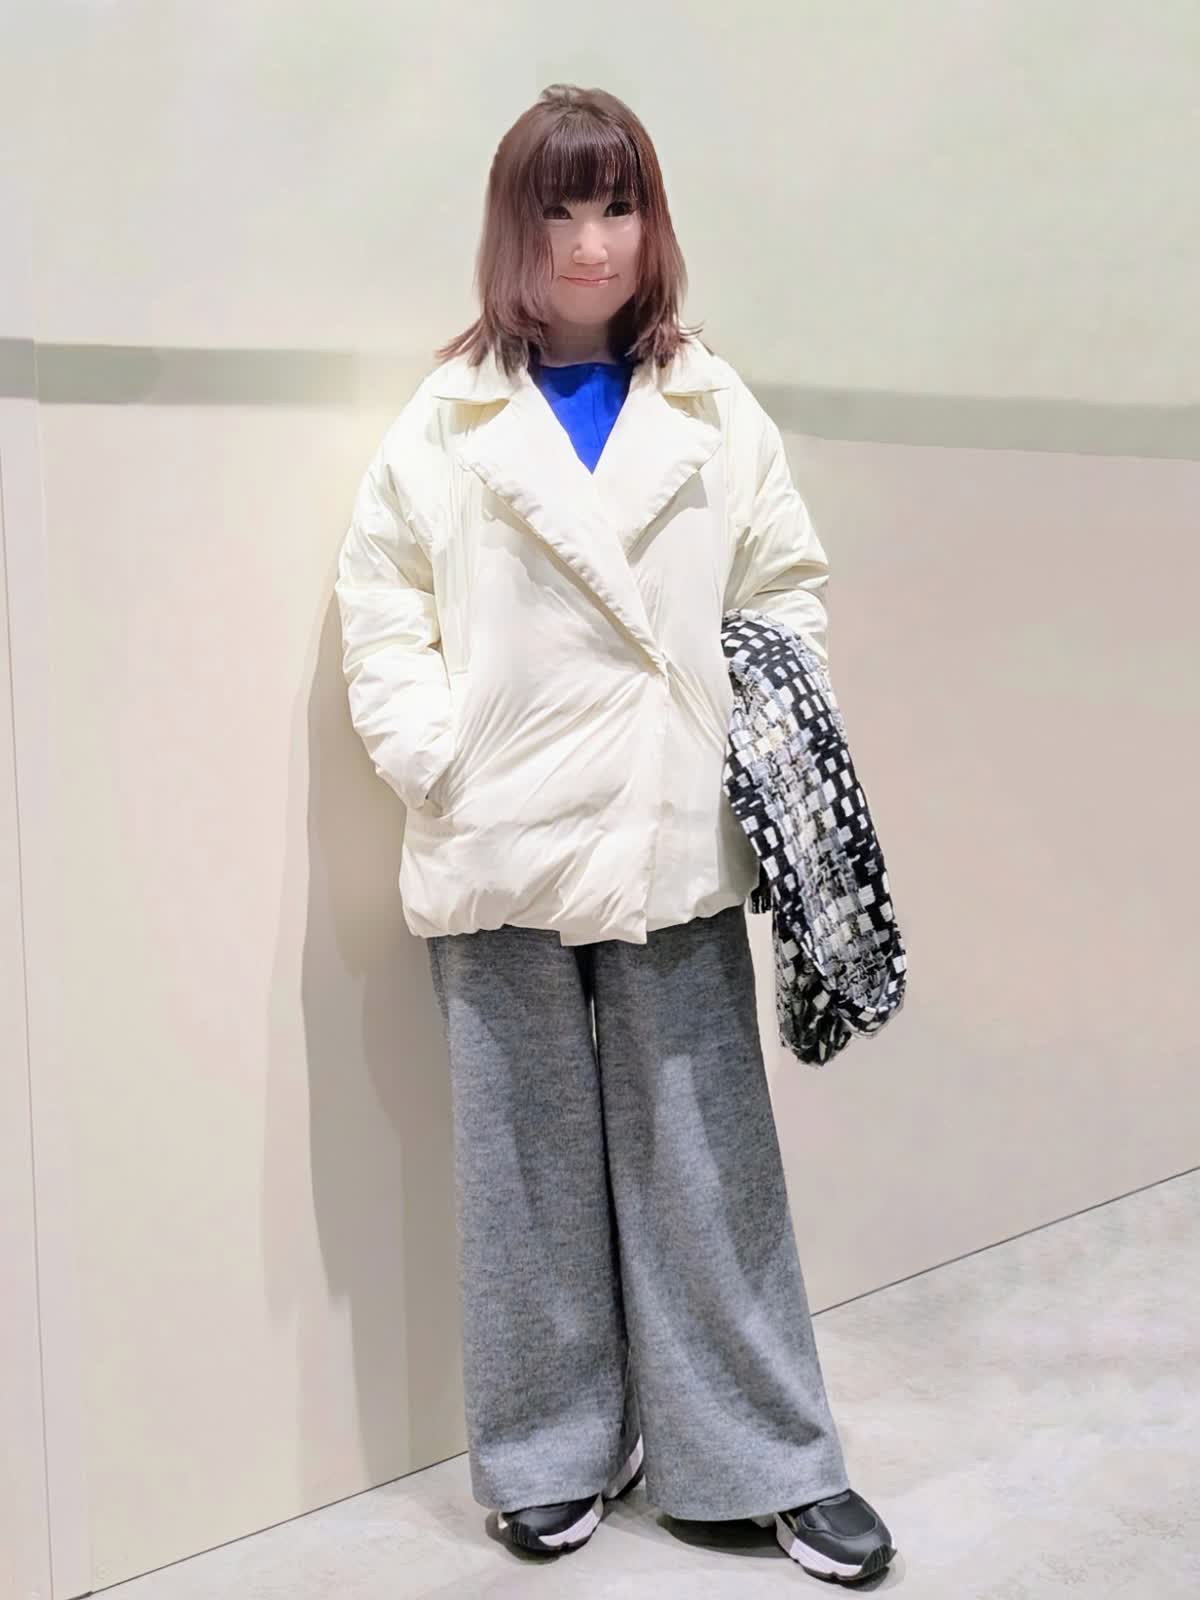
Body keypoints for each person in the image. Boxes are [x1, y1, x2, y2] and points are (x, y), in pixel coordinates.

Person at [335, 83, 896, 1584]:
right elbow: (381, 602)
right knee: (520, 1170)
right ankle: (548, 1453)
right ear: (511, 229)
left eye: (618, 205)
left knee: (708, 1161)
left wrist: (736, 733)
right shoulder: (449, 418)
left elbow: (782, 584)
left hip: (670, 831)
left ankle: (757, 1460)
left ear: (654, 226)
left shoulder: (711, 403)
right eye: (561, 209)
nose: (591, 242)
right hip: (499, 835)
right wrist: (435, 757)